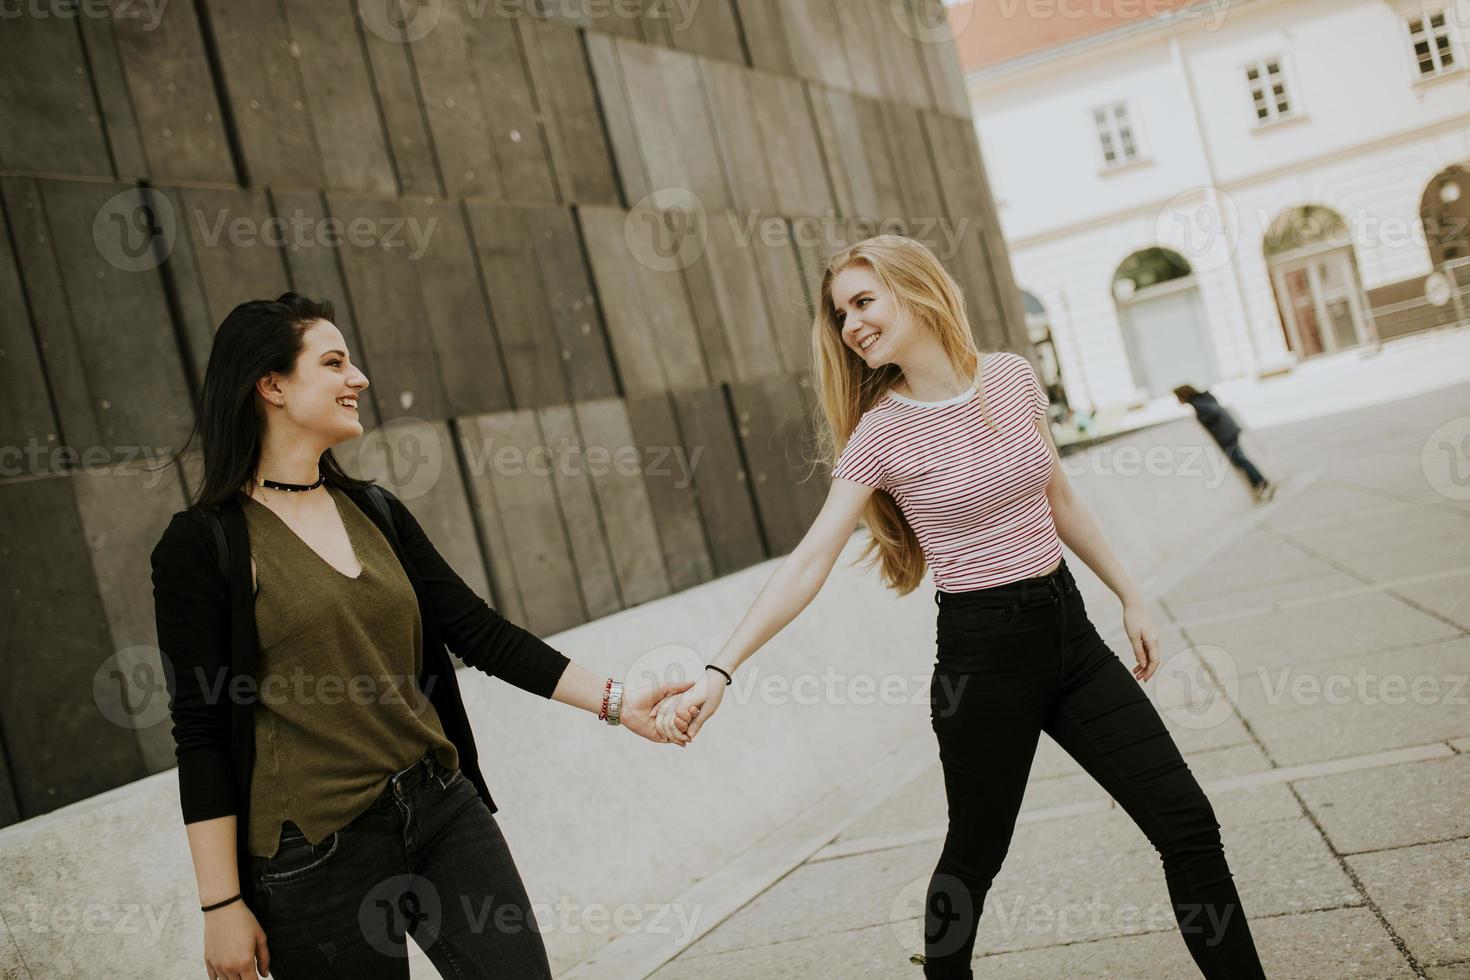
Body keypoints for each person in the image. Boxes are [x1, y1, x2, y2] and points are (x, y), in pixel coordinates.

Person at [653, 237, 1269, 979]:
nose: (850, 325)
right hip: (982, 664)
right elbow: (811, 557)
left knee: (1189, 825)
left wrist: (1130, 596)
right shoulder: (881, 430)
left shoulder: (1010, 377)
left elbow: (1059, 496)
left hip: (1071, 636)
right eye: (840, 313)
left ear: (916, 290)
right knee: (974, 858)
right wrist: (720, 669)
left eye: (862, 301)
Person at [150, 293, 693, 980]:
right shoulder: (204, 545)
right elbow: (199, 730)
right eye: (334, 362)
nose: (360, 379)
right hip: (314, 851)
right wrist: (220, 903)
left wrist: (619, 702)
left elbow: (478, 631)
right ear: (272, 384)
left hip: (439, 807)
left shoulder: (374, 510)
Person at [1174, 384, 1275, 502]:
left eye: (1177, 397)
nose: (1178, 400)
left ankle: (1261, 483)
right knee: (1242, 460)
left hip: (1226, 435)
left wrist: (1204, 419)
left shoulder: (1198, 403)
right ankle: (1260, 483)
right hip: (1230, 431)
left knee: (1242, 461)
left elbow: (1214, 412)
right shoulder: (1204, 398)